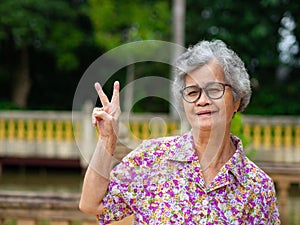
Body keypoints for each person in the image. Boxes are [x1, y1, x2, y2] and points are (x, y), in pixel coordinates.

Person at [79, 40, 281, 224]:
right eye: (192, 92)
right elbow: (92, 204)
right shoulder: (153, 158)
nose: (202, 100)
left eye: (214, 89)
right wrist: (107, 140)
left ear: (237, 100)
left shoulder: (258, 187)